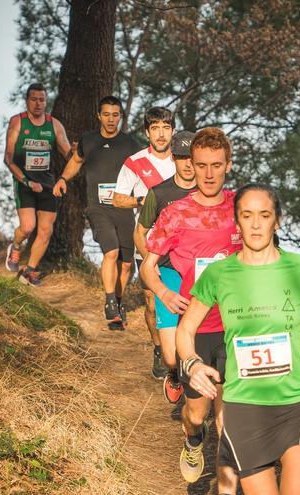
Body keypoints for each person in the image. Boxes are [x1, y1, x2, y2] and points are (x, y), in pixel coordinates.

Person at [176, 183, 300, 495]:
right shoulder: (219, 274)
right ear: (236, 222)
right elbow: (185, 329)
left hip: (297, 405)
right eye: (247, 216)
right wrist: (194, 364)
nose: (256, 223)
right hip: (244, 409)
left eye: (264, 215)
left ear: (277, 221)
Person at [140, 127, 241, 492]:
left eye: (216, 165)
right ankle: (193, 439)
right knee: (197, 414)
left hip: (235, 328)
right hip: (193, 329)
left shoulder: (241, 208)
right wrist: (164, 294)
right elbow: (147, 267)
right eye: (202, 166)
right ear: (191, 167)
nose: (209, 173)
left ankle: (224, 487)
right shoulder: (175, 213)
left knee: (229, 422)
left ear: (228, 165)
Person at [55, 96, 141, 330]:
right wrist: (63, 178)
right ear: (99, 116)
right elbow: (76, 161)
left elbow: (145, 170)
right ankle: (110, 301)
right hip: (98, 207)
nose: (111, 119)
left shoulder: (130, 144)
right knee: (110, 251)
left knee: (125, 264)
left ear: (120, 117)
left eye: (115, 115)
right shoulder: (89, 140)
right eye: (107, 114)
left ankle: (119, 305)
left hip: (124, 208)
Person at [113, 107, 177, 377]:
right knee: (151, 300)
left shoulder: (185, 160)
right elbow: (117, 198)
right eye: (155, 128)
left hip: (181, 245)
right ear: (147, 132)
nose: (161, 134)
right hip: (147, 241)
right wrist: (144, 201)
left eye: (165, 128)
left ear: (172, 130)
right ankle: (159, 349)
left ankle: (182, 355)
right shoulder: (135, 162)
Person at [134, 130, 196, 393]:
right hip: (168, 272)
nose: (188, 163)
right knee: (171, 355)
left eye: (191, 157)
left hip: (200, 274)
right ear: (173, 158)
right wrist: (152, 264)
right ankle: (173, 371)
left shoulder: (209, 192)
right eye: (182, 157)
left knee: (199, 336)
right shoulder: (159, 193)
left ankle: (196, 391)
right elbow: (140, 232)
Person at [3, 83, 71, 286]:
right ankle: (15, 246)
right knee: (27, 227)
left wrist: (75, 151)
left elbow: (67, 152)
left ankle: (30, 270)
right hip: (24, 182)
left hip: (48, 185)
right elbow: (8, 158)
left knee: (45, 230)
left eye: (42, 99)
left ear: (46, 101)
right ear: (27, 101)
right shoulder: (18, 122)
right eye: (34, 99)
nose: (38, 103)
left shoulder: (54, 125)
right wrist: (25, 180)